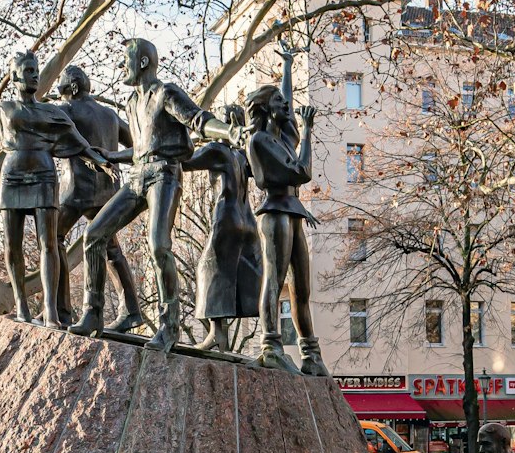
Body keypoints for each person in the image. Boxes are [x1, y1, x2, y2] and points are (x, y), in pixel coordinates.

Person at [72, 37, 240, 353]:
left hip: (164, 174)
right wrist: (109, 155)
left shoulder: (166, 92)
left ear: (144, 62)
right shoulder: (132, 104)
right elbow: (141, 148)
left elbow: (198, 120)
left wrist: (228, 131)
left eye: (125, 59)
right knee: (94, 235)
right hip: (137, 176)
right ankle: (92, 313)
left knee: (158, 244)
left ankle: (169, 325)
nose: (121, 65)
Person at [0, 50, 111, 326]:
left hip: (43, 176)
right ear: (14, 76)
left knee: (49, 243)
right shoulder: (5, 110)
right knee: (11, 246)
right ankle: (22, 307)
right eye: (29, 70)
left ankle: (51, 311)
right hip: (12, 178)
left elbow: (78, 142)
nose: (35, 75)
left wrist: (99, 160)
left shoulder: (51, 112)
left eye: (36, 70)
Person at [247, 41, 326, 376]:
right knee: (275, 278)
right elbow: (302, 172)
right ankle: (271, 344)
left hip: (292, 212)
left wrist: (289, 66)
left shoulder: (282, 135)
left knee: (302, 288)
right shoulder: (261, 141)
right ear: (266, 109)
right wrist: (308, 132)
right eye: (278, 103)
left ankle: (311, 353)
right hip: (275, 212)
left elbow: (288, 101)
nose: (287, 106)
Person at [55, 66, 146, 333]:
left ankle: (63, 311)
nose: (62, 95)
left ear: (72, 88)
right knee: (111, 249)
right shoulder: (109, 115)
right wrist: (113, 157)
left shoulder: (66, 110)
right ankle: (130, 310)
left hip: (77, 190)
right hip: (109, 189)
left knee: (53, 238)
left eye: (62, 89)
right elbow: (139, 145)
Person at [185, 104, 262, 352]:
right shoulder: (244, 156)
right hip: (248, 221)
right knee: (237, 271)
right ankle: (230, 338)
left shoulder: (218, 151)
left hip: (227, 217)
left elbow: (185, 161)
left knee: (210, 269)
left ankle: (217, 333)